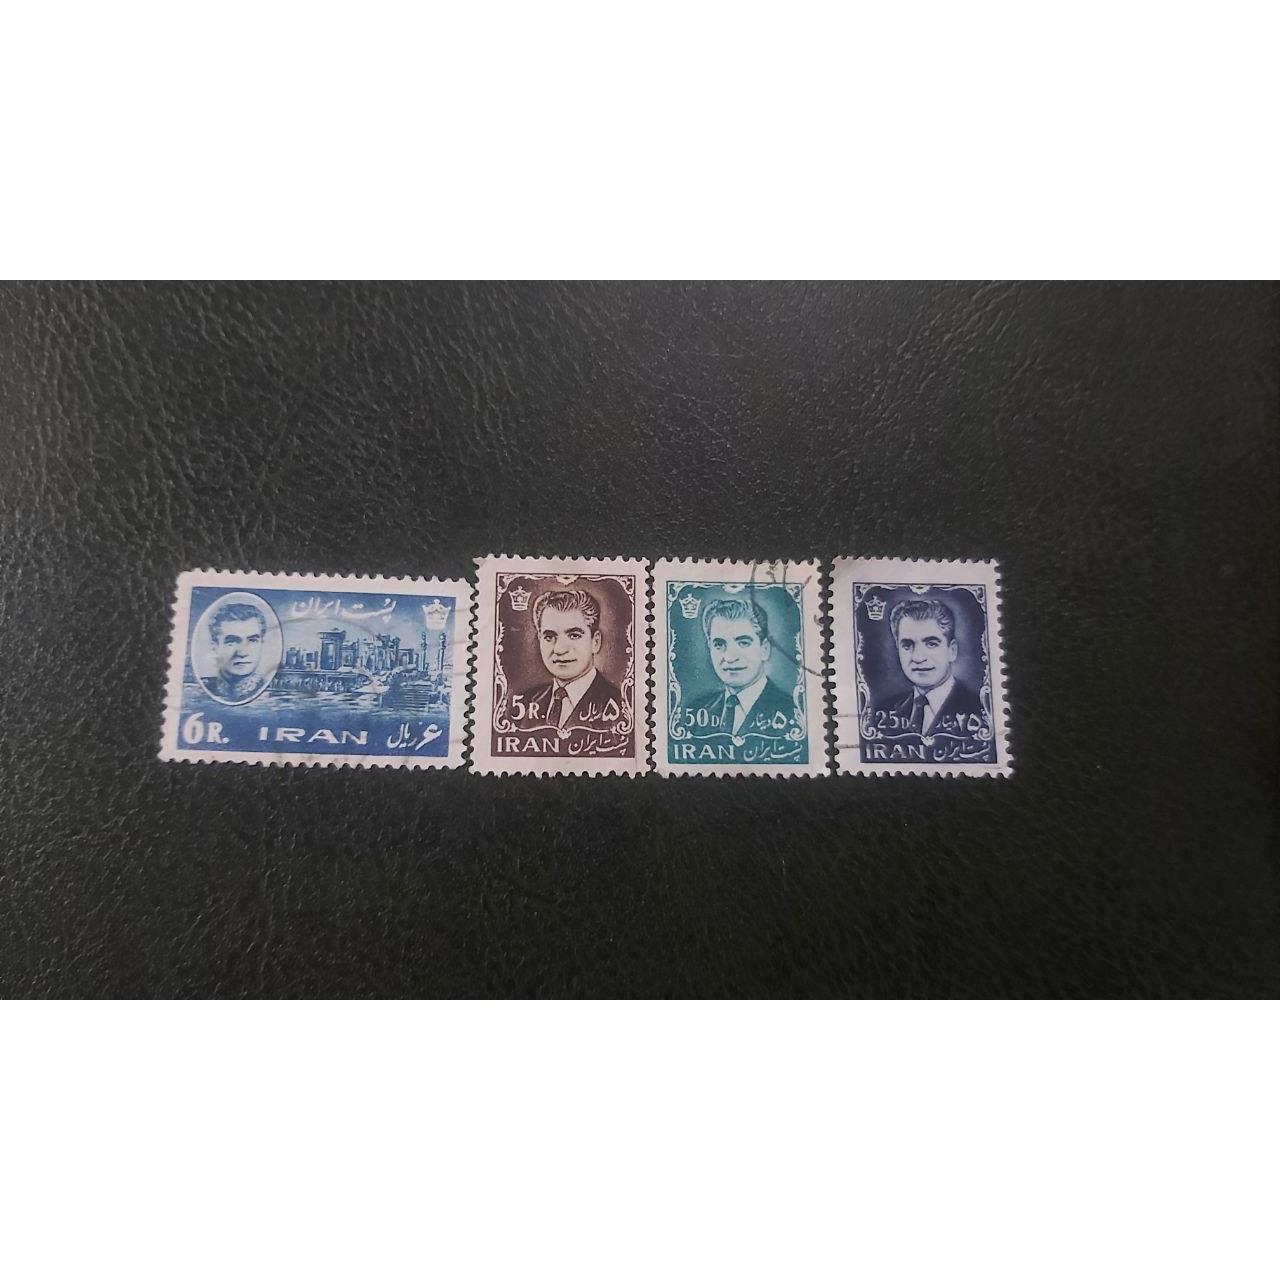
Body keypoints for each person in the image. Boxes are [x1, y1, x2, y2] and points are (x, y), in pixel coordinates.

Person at [688, 597, 796, 738]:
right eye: (719, 645)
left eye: (743, 643)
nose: (730, 657)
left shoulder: (794, 711)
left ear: (764, 649)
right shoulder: (696, 710)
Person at [876, 597, 984, 736]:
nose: (918, 658)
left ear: (952, 650)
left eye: (931, 644)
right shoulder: (883, 711)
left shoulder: (980, 709)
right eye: (907, 645)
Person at [518, 588, 623, 729]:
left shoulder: (622, 704)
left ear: (595, 642)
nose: (559, 650)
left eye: (574, 635)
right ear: (539, 639)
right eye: (549, 637)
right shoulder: (524, 704)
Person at [203, 600, 272, 703]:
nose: (242, 653)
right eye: (231, 642)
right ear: (215, 647)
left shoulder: (272, 693)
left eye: (252, 641)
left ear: (262, 644)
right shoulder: (201, 689)